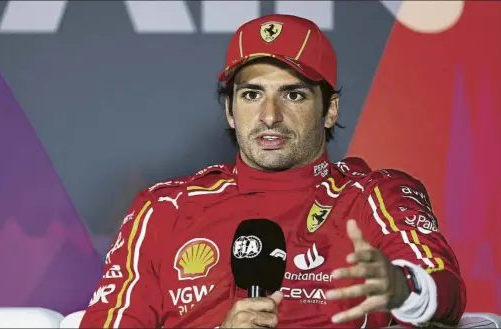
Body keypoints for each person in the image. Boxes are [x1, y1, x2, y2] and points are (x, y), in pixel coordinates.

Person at [80, 14, 466, 328]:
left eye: (293, 94)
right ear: (230, 111)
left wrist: (404, 288)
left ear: (330, 108)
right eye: (251, 95)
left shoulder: (373, 195)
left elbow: (444, 287)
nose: (269, 116)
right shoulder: (164, 208)